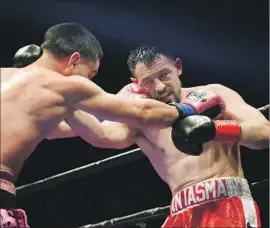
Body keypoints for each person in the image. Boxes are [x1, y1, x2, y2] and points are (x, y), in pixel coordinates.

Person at [47, 45, 269, 227]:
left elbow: (264, 133)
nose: (160, 87)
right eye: (148, 81)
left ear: (178, 67)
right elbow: (102, 135)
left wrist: (216, 130)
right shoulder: (144, 119)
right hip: (179, 211)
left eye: (164, 75)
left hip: (227, 205)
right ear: (136, 84)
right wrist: (68, 101)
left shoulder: (215, 92)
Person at [0, 23, 194, 228]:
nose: (90, 80)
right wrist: (187, 109)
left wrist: (76, 113)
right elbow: (143, 112)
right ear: (74, 60)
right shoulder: (67, 85)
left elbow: (53, 131)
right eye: (91, 74)